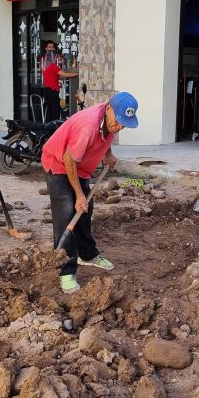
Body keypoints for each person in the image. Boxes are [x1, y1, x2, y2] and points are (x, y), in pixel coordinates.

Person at [41, 92, 139, 293]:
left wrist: (108, 155)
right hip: (59, 163)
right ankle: (66, 270)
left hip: (81, 167)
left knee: (86, 210)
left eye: (124, 123)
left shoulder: (111, 120)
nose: (120, 127)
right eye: (119, 121)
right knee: (68, 212)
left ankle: (87, 254)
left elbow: (107, 136)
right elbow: (69, 159)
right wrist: (78, 194)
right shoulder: (88, 126)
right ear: (109, 108)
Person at [40, 40, 78, 121]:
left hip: (47, 90)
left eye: (53, 47)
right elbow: (64, 74)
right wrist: (77, 74)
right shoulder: (53, 66)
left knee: (49, 112)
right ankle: (54, 130)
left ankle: (48, 130)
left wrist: (57, 81)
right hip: (52, 91)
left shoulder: (44, 66)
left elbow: (53, 76)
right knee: (55, 113)